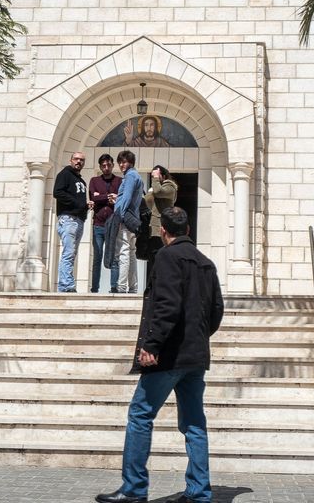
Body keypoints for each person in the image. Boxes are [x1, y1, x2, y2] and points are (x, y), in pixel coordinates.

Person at [97, 207, 223, 503]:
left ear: (164, 231)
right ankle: (199, 492)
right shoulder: (206, 263)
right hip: (195, 356)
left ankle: (133, 489)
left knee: (140, 414)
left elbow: (167, 306)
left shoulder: (167, 257)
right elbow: (216, 311)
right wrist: (198, 338)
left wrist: (151, 346)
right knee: (194, 423)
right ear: (188, 230)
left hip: (167, 356)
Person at [108, 151, 145, 294]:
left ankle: (122, 287)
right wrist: (118, 199)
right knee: (131, 253)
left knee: (123, 253)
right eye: (120, 162)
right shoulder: (138, 177)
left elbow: (128, 198)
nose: (122, 165)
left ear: (131, 162)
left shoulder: (130, 176)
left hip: (125, 220)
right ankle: (133, 287)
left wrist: (120, 216)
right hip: (134, 220)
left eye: (124, 162)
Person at [53, 152, 88, 293]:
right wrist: (77, 203)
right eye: (76, 159)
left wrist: (85, 206)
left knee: (72, 253)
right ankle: (66, 286)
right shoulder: (65, 174)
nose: (79, 161)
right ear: (71, 160)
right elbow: (58, 192)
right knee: (68, 253)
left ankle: (66, 284)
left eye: (82, 160)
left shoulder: (81, 181)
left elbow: (79, 201)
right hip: (68, 219)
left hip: (78, 220)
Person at [89, 154, 122, 293]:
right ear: (100, 167)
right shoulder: (94, 180)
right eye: (103, 165)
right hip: (98, 224)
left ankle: (114, 287)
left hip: (114, 224)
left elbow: (121, 198)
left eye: (109, 165)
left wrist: (99, 197)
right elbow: (92, 197)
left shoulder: (120, 181)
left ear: (113, 165)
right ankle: (95, 288)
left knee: (114, 256)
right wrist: (107, 197)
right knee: (97, 257)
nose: (106, 168)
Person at [137, 165, 179, 270]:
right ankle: (152, 285)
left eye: (156, 175)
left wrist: (155, 181)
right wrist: (150, 191)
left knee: (159, 256)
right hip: (152, 227)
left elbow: (159, 192)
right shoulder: (155, 188)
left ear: (163, 176)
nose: (153, 178)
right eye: (152, 176)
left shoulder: (170, 187)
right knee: (152, 257)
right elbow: (148, 203)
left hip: (162, 227)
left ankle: (157, 284)